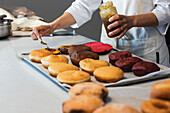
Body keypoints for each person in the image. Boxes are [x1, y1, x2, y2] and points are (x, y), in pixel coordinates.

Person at [31, 0, 170, 67]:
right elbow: (83, 5)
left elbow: (166, 9)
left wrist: (133, 21)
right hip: (109, 48)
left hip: (146, 50)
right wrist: (53, 26)